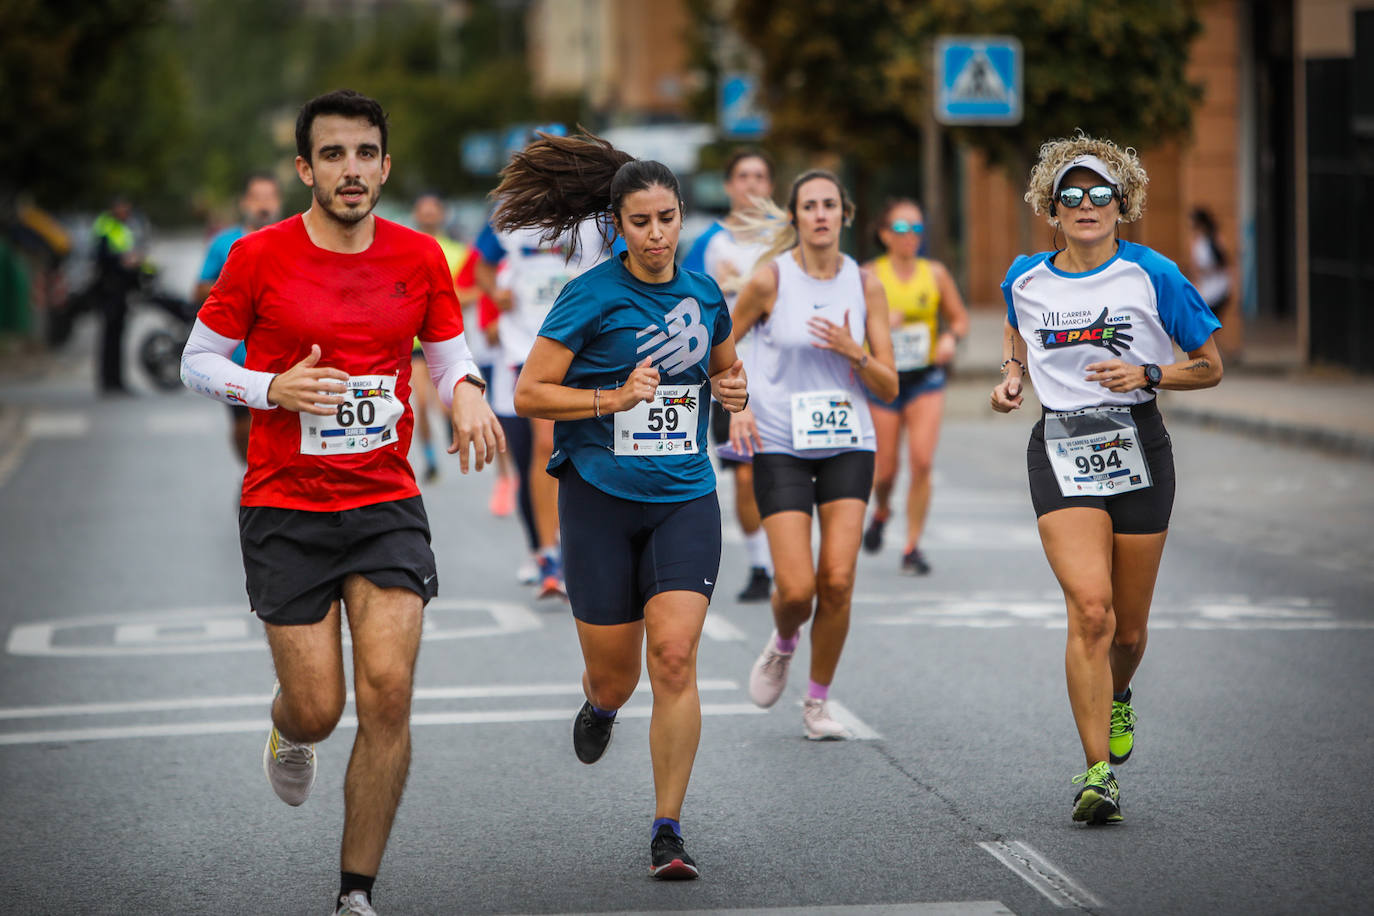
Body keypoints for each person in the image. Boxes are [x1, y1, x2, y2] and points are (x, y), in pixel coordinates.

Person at [180, 89, 503, 916]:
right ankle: (290, 727)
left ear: (385, 166)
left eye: (365, 154)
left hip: (384, 499)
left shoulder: (419, 256)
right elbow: (196, 361)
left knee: (388, 690)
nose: (351, 170)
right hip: (285, 504)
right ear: (305, 169)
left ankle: (354, 891)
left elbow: (447, 351)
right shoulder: (257, 258)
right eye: (333, 155)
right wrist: (271, 386)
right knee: (323, 708)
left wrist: (466, 391)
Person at [501, 130, 748, 879]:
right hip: (600, 498)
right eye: (640, 222)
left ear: (682, 217)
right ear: (617, 227)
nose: (656, 234)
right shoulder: (589, 295)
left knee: (674, 656)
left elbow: (726, 371)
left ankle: (667, 828)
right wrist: (614, 395)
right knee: (617, 675)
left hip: (684, 496)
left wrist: (733, 393)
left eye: (667, 217)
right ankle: (602, 707)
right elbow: (528, 391)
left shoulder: (704, 293)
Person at [990, 134, 1223, 826]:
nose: (1086, 205)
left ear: (1121, 205)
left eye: (1100, 194)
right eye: (1072, 194)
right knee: (1090, 610)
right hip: (1061, 444)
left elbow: (1209, 365)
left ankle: (1120, 694)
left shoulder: (1153, 275)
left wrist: (1148, 373)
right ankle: (1097, 773)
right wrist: (1012, 374)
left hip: (1138, 442)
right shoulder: (1025, 277)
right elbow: (1014, 324)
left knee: (1127, 630)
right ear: (1051, 207)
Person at [731, 171, 898, 739]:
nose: (821, 214)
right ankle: (782, 643)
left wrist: (856, 352)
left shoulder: (865, 283)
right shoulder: (769, 281)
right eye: (810, 206)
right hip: (780, 442)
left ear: (844, 214)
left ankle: (817, 703)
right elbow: (719, 348)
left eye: (830, 205)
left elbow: (889, 385)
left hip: (849, 441)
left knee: (840, 579)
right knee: (798, 588)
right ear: (796, 217)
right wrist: (738, 404)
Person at [474, 131, 611, 597]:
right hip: (525, 346)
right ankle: (549, 553)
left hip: (585, 344)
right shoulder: (511, 216)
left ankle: (582, 544)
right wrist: (496, 295)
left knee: (584, 446)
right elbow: (481, 266)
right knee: (543, 445)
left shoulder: (597, 218)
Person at [681, 148, 776, 602]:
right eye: (743, 176)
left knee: (787, 471)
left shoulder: (789, 240)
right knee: (743, 475)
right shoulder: (708, 244)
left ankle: (791, 556)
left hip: (783, 376)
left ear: (770, 186)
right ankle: (761, 566)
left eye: (759, 176)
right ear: (729, 187)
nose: (751, 184)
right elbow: (687, 305)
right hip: (730, 375)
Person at [860, 198, 969, 575]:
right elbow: (848, 328)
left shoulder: (934, 273)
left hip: (925, 378)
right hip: (885, 380)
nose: (911, 236)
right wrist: (877, 325)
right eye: (903, 229)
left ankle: (912, 547)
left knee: (922, 461)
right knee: (885, 472)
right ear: (885, 234)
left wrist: (950, 338)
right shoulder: (868, 274)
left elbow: (959, 319)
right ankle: (883, 510)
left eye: (917, 228)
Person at [194, 173, 284, 464]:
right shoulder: (224, 243)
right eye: (257, 197)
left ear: (279, 202)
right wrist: (240, 285)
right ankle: (252, 475)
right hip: (239, 361)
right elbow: (198, 290)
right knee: (243, 429)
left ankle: (269, 483)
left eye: (269, 197)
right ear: (245, 202)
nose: (264, 204)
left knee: (284, 431)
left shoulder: (293, 240)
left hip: (284, 360)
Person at [90, 196, 143, 395]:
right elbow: (102, 256)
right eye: (123, 208)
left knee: (117, 336)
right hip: (110, 289)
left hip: (121, 290)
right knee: (110, 336)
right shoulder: (105, 226)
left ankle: (116, 381)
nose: (126, 212)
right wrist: (124, 259)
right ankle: (109, 381)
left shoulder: (124, 227)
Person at [1189, 207, 1230, 316]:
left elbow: (1223, 262)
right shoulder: (1199, 241)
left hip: (1216, 290)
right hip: (1206, 289)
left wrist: (1204, 271)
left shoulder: (1213, 240)